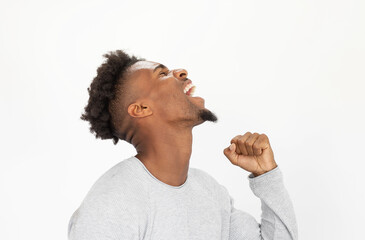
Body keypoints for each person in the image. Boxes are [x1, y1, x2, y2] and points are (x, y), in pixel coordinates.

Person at [68, 50, 298, 240]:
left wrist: (267, 176)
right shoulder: (113, 203)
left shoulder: (210, 192)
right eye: (162, 74)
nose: (181, 72)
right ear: (142, 109)